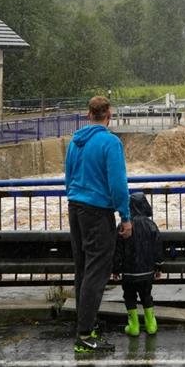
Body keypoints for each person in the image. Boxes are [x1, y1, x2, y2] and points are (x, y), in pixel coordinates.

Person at [65, 96, 132, 354]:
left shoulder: (75, 141)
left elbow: (69, 178)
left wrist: (76, 199)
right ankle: (84, 335)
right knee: (96, 272)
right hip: (97, 211)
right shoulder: (110, 142)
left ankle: (87, 326)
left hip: (76, 208)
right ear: (109, 115)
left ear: (88, 114)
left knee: (82, 269)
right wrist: (125, 217)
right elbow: (117, 184)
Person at [113, 192, 164, 337]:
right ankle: (151, 325)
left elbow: (118, 250)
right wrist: (158, 266)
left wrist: (116, 269)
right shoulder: (151, 225)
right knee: (146, 296)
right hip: (147, 273)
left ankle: (134, 326)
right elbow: (157, 248)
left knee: (129, 297)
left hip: (128, 273)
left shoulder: (123, 226)